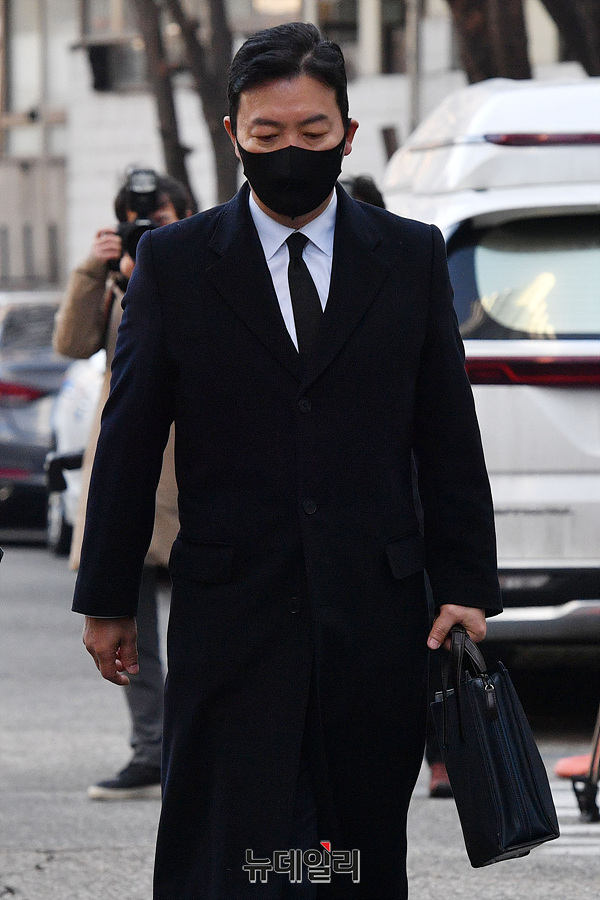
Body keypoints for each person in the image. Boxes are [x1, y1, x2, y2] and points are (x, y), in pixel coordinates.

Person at [72, 22, 502, 899]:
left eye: (313, 131)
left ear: (348, 132)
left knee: (351, 850)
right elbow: (130, 434)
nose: (291, 152)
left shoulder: (410, 256)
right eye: (268, 134)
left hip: (374, 614)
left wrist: (465, 582)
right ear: (233, 133)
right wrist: (107, 596)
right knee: (235, 848)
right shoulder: (175, 263)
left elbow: (448, 435)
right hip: (231, 615)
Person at [54, 170, 193, 799]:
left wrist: (156, 273)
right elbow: (71, 344)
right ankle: (151, 749)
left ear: (185, 215)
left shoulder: (205, 267)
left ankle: (200, 748)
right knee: (123, 614)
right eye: (136, 222)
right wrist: (95, 272)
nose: (146, 231)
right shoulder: (112, 281)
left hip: (191, 462)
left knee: (205, 622)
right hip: (128, 465)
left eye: (159, 220)